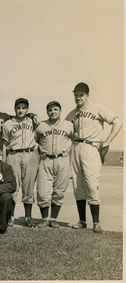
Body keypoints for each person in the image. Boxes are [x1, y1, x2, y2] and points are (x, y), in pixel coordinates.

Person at [65, 82, 122, 233]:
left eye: (81, 95)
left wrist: (108, 142)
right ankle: (82, 221)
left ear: (87, 95)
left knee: (91, 184)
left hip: (91, 147)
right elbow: (65, 132)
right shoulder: (71, 114)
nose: (78, 98)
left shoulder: (97, 108)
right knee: (78, 185)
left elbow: (117, 122)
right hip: (75, 147)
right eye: (76, 95)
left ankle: (96, 222)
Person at [35, 101, 74, 228]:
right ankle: (44, 219)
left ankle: (53, 219)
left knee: (59, 191)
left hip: (62, 159)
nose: (53, 112)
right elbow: (35, 142)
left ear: (60, 111)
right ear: (47, 112)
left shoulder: (68, 125)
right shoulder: (41, 126)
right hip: (45, 160)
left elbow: (74, 141)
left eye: (55, 109)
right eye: (50, 110)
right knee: (42, 192)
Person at [2, 98, 39, 228]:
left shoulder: (32, 121)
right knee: (13, 187)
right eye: (18, 108)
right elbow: (4, 143)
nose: (21, 110)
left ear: (27, 109)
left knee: (28, 187)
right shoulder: (7, 124)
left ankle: (28, 217)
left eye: (23, 108)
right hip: (13, 154)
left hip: (29, 154)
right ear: (14, 109)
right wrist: (4, 161)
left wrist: (33, 115)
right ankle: (10, 217)